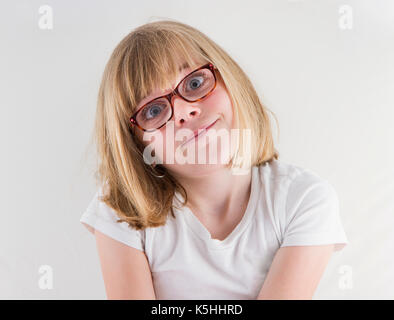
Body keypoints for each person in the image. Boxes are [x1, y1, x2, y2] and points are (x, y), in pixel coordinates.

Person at [80, 19, 348, 300]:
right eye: (153, 110)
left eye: (194, 83)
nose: (184, 111)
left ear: (229, 79)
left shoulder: (303, 199)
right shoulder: (122, 209)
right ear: (137, 143)